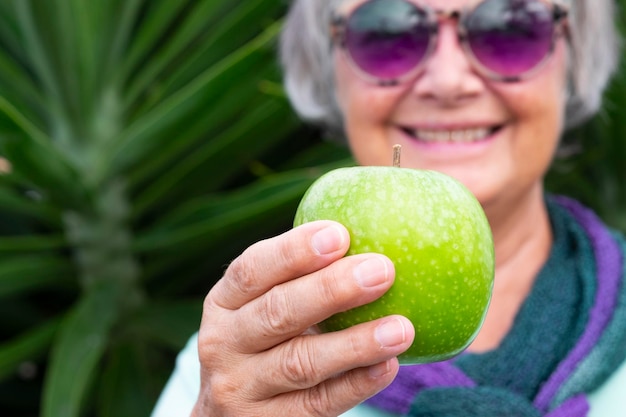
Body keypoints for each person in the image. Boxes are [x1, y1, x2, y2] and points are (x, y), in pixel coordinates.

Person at [151, 0, 626, 415]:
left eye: (508, 28)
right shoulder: (244, 370)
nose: (447, 81)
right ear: (325, 67)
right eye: (387, 31)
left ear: (576, 56)